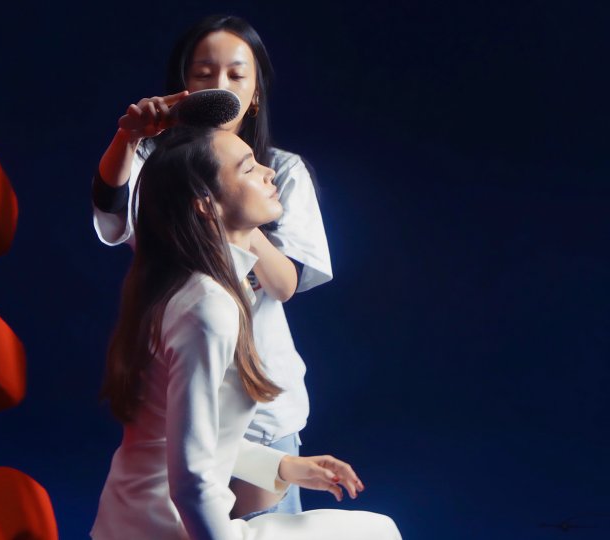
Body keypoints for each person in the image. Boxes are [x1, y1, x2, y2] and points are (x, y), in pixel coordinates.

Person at [91, 127, 400, 540]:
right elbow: (190, 481)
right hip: (162, 529)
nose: (269, 172)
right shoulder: (207, 306)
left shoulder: (200, 288)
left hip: (134, 523)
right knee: (380, 531)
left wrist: (283, 466)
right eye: (248, 168)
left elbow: (179, 438)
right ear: (206, 205)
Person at [91, 14, 331, 518]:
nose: (220, 85)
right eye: (204, 73)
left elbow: (284, 283)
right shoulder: (156, 168)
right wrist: (129, 138)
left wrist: (235, 203)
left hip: (259, 394)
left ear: (256, 93)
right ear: (183, 84)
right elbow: (113, 216)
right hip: (176, 380)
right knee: (178, 512)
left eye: (236, 74)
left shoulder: (278, 172)